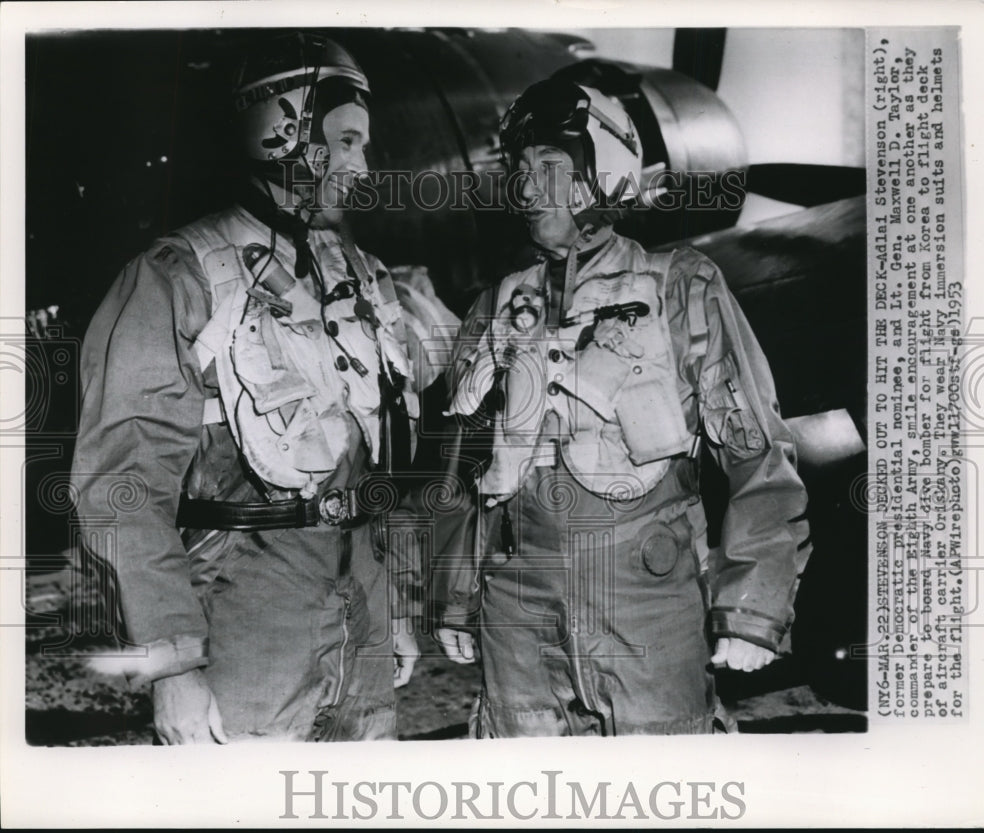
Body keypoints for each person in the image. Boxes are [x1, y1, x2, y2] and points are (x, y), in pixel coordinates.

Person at [71, 32, 431, 743]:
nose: (363, 164)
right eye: (349, 140)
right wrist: (174, 663)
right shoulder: (178, 276)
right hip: (243, 619)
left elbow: (381, 458)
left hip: (359, 612)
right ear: (286, 130)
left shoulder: (357, 273)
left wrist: (398, 605)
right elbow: (122, 481)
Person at [433, 77, 813, 736]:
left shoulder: (682, 288)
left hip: (649, 599)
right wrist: (453, 594)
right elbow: (465, 469)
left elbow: (758, 454)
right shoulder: (496, 304)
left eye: (548, 168)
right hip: (518, 608)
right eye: (520, 171)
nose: (526, 189)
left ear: (604, 172)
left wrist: (753, 605)